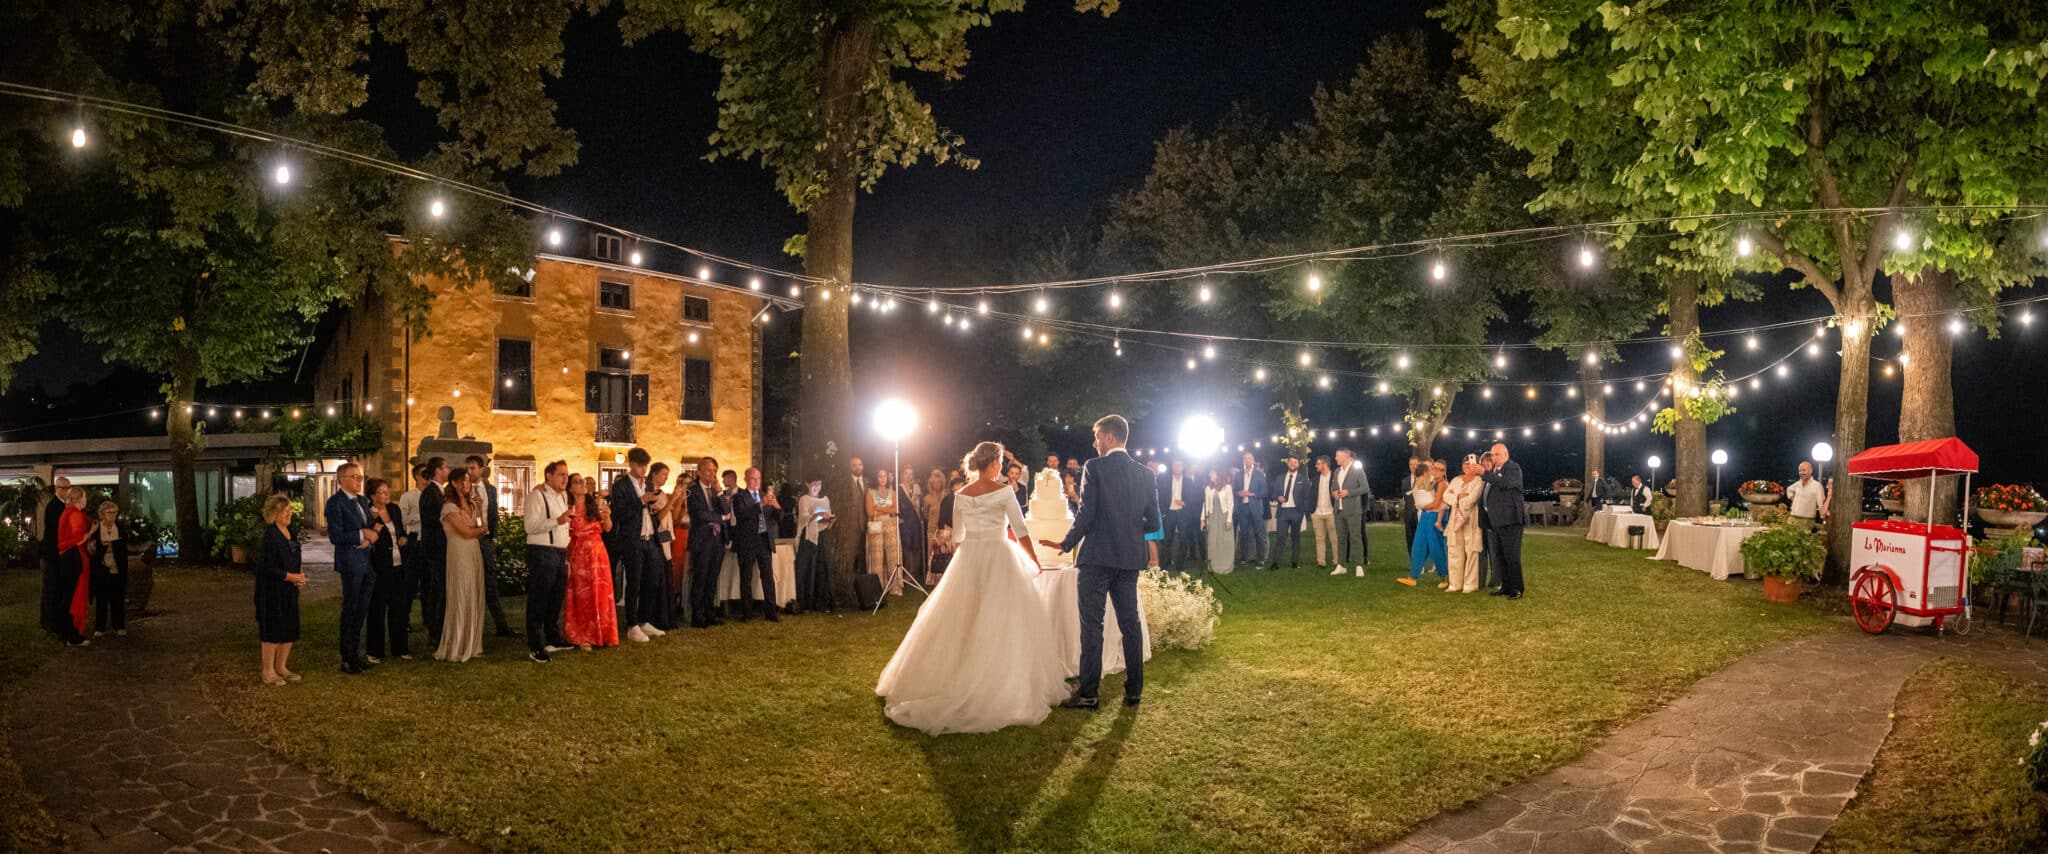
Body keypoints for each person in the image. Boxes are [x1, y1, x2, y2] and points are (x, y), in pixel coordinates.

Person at [877, 442, 1066, 734]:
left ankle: (954, 673)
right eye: (1000, 462)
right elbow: (1020, 530)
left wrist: (970, 551)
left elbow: (958, 537)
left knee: (962, 616)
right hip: (1000, 556)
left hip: (969, 556)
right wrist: (1034, 560)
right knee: (1003, 618)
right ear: (995, 463)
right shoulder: (1005, 491)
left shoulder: (962, 494)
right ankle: (997, 678)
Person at [1040, 415, 1159, 711]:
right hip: (1129, 559)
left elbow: (1086, 514)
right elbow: (1154, 522)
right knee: (1130, 624)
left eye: (1096, 438)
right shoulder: (1146, 474)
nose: (1094, 444)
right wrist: (1130, 530)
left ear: (1108, 437)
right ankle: (1134, 692)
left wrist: (1065, 543)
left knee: (1092, 626)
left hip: (1096, 559)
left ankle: (1089, 694)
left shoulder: (1095, 467)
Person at [607, 448, 667, 642]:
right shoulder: (621, 485)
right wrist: (641, 500)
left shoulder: (647, 483)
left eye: (645, 466)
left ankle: (644, 620)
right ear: (631, 464)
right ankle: (632, 625)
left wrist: (652, 506)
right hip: (632, 540)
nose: (643, 469)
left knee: (652, 580)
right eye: (640, 465)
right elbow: (619, 512)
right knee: (634, 582)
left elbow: (647, 509)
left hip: (650, 537)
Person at [326, 462, 379, 674]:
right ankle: (347, 656)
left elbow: (370, 526)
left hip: (368, 561)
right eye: (354, 476)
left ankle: (357, 653)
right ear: (342, 479)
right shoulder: (335, 503)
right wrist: (361, 534)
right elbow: (336, 535)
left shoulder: (363, 501)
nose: (359, 480)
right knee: (351, 608)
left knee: (362, 609)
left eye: (360, 476)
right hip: (350, 562)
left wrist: (371, 534)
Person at [434, 469, 489, 663]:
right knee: (462, 593)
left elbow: (481, 525)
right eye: (465, 481)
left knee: (475, 592)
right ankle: (457, 644)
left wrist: (479, 508)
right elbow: (465, 532)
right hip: (459, 552)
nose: (468, 484)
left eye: (468, 481)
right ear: (455, 483)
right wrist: (479, 529)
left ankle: (473, 643)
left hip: (473, 550)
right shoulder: (449, 507)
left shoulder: (471, 504)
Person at [523, 461, 575, 663]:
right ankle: (535, 645)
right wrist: (558, 521)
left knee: (555, 598)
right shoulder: (537, 496)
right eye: (561, 474)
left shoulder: (562, 496)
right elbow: (530, 526)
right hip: (542, 551)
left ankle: (553, 638)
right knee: (539, 599)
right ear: (549, 476)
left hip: (560, 552)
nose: (565, 478)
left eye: (566, 475)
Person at [255, 495, 308, 685]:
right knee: (273, 628)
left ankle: (281, 667)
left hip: (289, 589)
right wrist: (290, 576)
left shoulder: (289, 531)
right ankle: (268, 671)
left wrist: (299, 576)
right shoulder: (270, 536)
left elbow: (294, 557)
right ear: (275, 514)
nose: (289, 514)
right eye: (285, 511)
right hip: (272, 590)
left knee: (289, 626)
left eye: (290, 511)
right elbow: (266, 567)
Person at [564, 473, 619, 650]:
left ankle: (603, 633)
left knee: (601, 592)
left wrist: (607, 516)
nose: (582, 483)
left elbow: (608, 528)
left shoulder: (595, 504)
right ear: (570, 488)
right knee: (583, 595)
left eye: (583, 481)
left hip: (598, 553)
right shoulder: (567, 507)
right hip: (579, 554)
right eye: (577, 482)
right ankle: (583, 636)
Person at [465, 456, 517, 638]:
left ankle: (501, 625)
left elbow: (493, 514)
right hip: (468, 540)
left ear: (481, 470)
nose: (469, 472)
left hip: (486, 540)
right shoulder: (463, 490)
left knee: (490, 583)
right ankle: (470, 627)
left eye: (472, 468)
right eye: (467, 468)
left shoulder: (491, 490)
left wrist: (493, 537)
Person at [39, 478, 88, 647]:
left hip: (61, 555)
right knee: (52, 590)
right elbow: (72, 536)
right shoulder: (56, 507)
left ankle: (59, 624)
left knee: (60, 592)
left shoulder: (65, 509)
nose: (67, 490)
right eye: (65, 487)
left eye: (69, 487)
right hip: (54, 555)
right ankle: (50, 623)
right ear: (57, 489)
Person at [364, 478, 409, 663]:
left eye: (387, 490)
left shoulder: (394, 509)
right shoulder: (368, 513)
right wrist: (374, 522)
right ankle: (374, 650)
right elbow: (367, 538)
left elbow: (400, 531)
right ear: (372, 496)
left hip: (398, 564)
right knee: (377, 608)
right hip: (379, 566)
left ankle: (400, 648)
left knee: (399, 607)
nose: (387, 494)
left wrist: (403, 538)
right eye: (382, 492)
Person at [730, 466, 782, 622]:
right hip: (747, 542)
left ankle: (771, 613)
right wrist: (760, 505)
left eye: (758, 478)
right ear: (745, 479)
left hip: (764, 541)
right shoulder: (739, 497)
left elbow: (779, 517)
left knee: (768, 577)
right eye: (753, 478)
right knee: (746, 577)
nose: (756, 481)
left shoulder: (766, 496)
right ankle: (747, 613)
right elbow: (742, 514)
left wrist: (776, 506)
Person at [685, 457, 730, 629]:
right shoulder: (693, 490)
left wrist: (720, 493)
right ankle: (697, 616)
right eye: (709, 470)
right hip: (702, 540)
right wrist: (721, 518)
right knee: (700, 577)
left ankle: (710, 613)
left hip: (717, 539)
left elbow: (727, 511)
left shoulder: (715, 491)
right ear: (699, 472)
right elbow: (699, 514)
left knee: (713, 577)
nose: (712, 474)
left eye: (715, 471)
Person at [1482, 443, 1529, 599]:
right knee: (1500, 556)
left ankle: (1517, 588)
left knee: (1512, 555)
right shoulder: (1494, 472)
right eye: (1492, 454)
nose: (1494, 457)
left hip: (1511, 520)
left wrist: (1484, 473)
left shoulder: (1513, 468)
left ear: (1506, 454)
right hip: (1497, 520)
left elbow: (1505, 483)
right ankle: (1506, 586)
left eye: (1497, 454)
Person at [84, 500, 131, 637]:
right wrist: (102, 547)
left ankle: (119, 626)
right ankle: (100, 627)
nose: (112, 515)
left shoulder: (120, 528)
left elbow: (124, 548)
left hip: (117, 568)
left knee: (118, 598)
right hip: (101, 568)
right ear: (102, 514)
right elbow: (91, 548)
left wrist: (113, 545)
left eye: (114, 512)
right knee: (101, 598)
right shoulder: (96, 529)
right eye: (109, 512)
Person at [416, 457, 450, 648]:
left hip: (441, 547)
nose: (448, 470)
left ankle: (440, 628)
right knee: (437, 590)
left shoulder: (440, 491)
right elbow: (431, 520)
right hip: (435, 549)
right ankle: (435, 632)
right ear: (438, 470)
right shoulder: (430, 493)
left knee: (441, 590)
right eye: (446, 467)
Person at [1441, 455, 1486, 593]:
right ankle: (1455, 584)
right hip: (1455, 520)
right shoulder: (1456, 480)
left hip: (1471, 519)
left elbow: (1473, 498)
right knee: (1454, 550)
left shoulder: (1480, 481)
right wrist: (1459, 497)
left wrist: (1458, 500)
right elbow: (1446, 496)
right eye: (1465, 463)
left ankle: (1470, 584)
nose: (1467, 466)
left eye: (1470, 463)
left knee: (1471, 550)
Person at [1402, 460, 1448, 588]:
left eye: (1440, 469)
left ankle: (1443, 576)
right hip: (1425, 516)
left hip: (1433, 517)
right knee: (1418, 544)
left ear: (1444, 472)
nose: (1436, 471)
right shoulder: (1432, 482)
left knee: (1436, 547)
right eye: (1434, 468)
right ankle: (1413, 576)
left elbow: (1436, 504)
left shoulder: (1442, 484)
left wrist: (1422, 506)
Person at [794, 477, 836, 614]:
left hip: (823, 536)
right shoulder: (804, 500)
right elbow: (804, 519)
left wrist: (830, 520)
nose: (817, 487)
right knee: (808, 569)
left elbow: (827, 517)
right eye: (814, 484)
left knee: (822, 569)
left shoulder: (825, 499)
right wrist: (818, 514)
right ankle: (806, 603)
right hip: (808, 538)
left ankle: (822, 602)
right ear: (807, 484)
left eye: (819, 484)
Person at [396, 465, 427, 648]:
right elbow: (402, 519)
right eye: (424, 474)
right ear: (417, 476)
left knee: (428, 583)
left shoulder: (433, 495)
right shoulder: (408, 497)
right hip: (414, 542)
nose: (427, 477)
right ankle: (404, 619)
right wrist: (418, 517)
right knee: (409, 583)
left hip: (429, 543)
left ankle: (428, 617)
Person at [1268, 455, 1314, 570]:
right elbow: (1273, 493)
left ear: (1298, 464)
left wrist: (1304, 512)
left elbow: (1307, 497)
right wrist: (1278, 497)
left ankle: (1294, 563)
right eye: (1291, 462)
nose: (1293, 464)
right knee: (1280, 538)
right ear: (1287, 463)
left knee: (1296, 538)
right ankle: (1275, 563)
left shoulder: (1303, 479)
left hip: (1296, 512)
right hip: (1283, 512)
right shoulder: (1280, 478)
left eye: (1295, 462)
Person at [1156, 459, 1200, 574]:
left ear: (1183, 467)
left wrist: (1184, 503)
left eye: (1179, 465)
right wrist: (1163, 512)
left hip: (1182, 513)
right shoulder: (1165, 479)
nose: (1176, 467)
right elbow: (1160, 495)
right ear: (1172, 466)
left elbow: (1193, 497)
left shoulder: (1188, 481)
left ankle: (1180, 565)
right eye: (1174, 465)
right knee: (1167, 540)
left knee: (1183, 539)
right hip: (1169, 513)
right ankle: (1163, 565)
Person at [1330, 448, 1369, 576]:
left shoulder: (1357, 470)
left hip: (1353, 510)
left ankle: (1359, 565)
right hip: (1339, 510)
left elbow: (1365, 488)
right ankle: (1341, 565)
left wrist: (1349, 492)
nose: (1335, 458)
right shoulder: (1337, 471)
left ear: (1345, 456)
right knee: (1340, 538)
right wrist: (1334, 493)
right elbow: (1333, 488)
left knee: (1355, 538)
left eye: (1337, 456)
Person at [867, 468, 905, 595]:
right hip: (876, 526)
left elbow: (895, 510)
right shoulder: (870, 492)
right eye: (880, 476)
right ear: (875, 478)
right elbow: (870, 512)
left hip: (891, 525)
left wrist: (879, 508)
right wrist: (887, 509)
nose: (883, 479)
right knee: (877, 557)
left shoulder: (892, 492)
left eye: (885, 476)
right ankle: (877, 588)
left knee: (893, 556)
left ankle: (895, 586)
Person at [1232, 451, 1269, 566]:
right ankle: (1244, 558)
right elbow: (1234, 490)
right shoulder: (1238, 474)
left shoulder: (1259, 474)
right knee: (1244, 534)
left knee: (1259, 533)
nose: (1247, 460)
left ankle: (1261, 559)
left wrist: (1253, 494)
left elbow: (1265, 491)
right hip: (1243, 508)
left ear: (1253, 460)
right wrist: (1239, 493)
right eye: (1245, 458)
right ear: (1243, 461)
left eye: (1249, 458)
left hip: (1256, 507)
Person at [897, 467, 928, 587]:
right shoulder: (899, 488)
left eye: (911, 474)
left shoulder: (916, 487)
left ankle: (915, 572)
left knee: (916, 546)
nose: (909, 476)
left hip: (916, 520)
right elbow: (897, 504)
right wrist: (899, 517)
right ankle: (908, 573)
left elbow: (921, 504)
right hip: (905, 521)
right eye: (906, 473)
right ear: (902, 474)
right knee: (907, 546)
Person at [1201, 467, 1235, 575]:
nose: (1210, 475)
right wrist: (1202, 519)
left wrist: (1229, 519)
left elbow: (1230, 504)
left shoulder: (1227, 487)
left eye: (1212, 473)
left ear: (1218, 474)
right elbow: (1205, 505)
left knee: (1225, 541)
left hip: (1224, 517)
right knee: (1212, 541)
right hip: (1212, 517)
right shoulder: (1208, 488)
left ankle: (1226, 566)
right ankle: (1213, 566)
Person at [1309, 456, 1337, 570]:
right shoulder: (1315, 479)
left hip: (1331, 513)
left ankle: (1337, 561)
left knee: (1335, 539)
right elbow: (1311, 495)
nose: (1316, 466)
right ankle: (1321, 562)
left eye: (1318, 463)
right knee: (1319, 539)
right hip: (1317, 513)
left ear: (1325, 464)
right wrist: (1312, 511)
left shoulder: (1335, 477)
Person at [1786, 462, 1828, 530]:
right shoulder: (1798, 484)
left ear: (1810, 471)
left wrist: (1823, 520)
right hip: (1792, 518)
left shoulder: (1817, 486)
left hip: (1806, 521)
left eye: (1803, 470)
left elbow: (1821, 504)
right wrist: (1793, 500)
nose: (1801, 473)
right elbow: (1789, 489)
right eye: (1800, 471)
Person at [1400, 456, 1422, 551]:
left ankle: (1421, 558)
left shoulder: (1425, 479)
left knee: (1421, 539)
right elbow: (1405, 497)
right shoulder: (1404, 481)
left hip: (1421, 513)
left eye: (1416, 464)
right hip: (1409, 514)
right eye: (1411, 464)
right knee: (1410, 539)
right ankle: (1412, 558)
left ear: (1420, 465)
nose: (1413, 467)